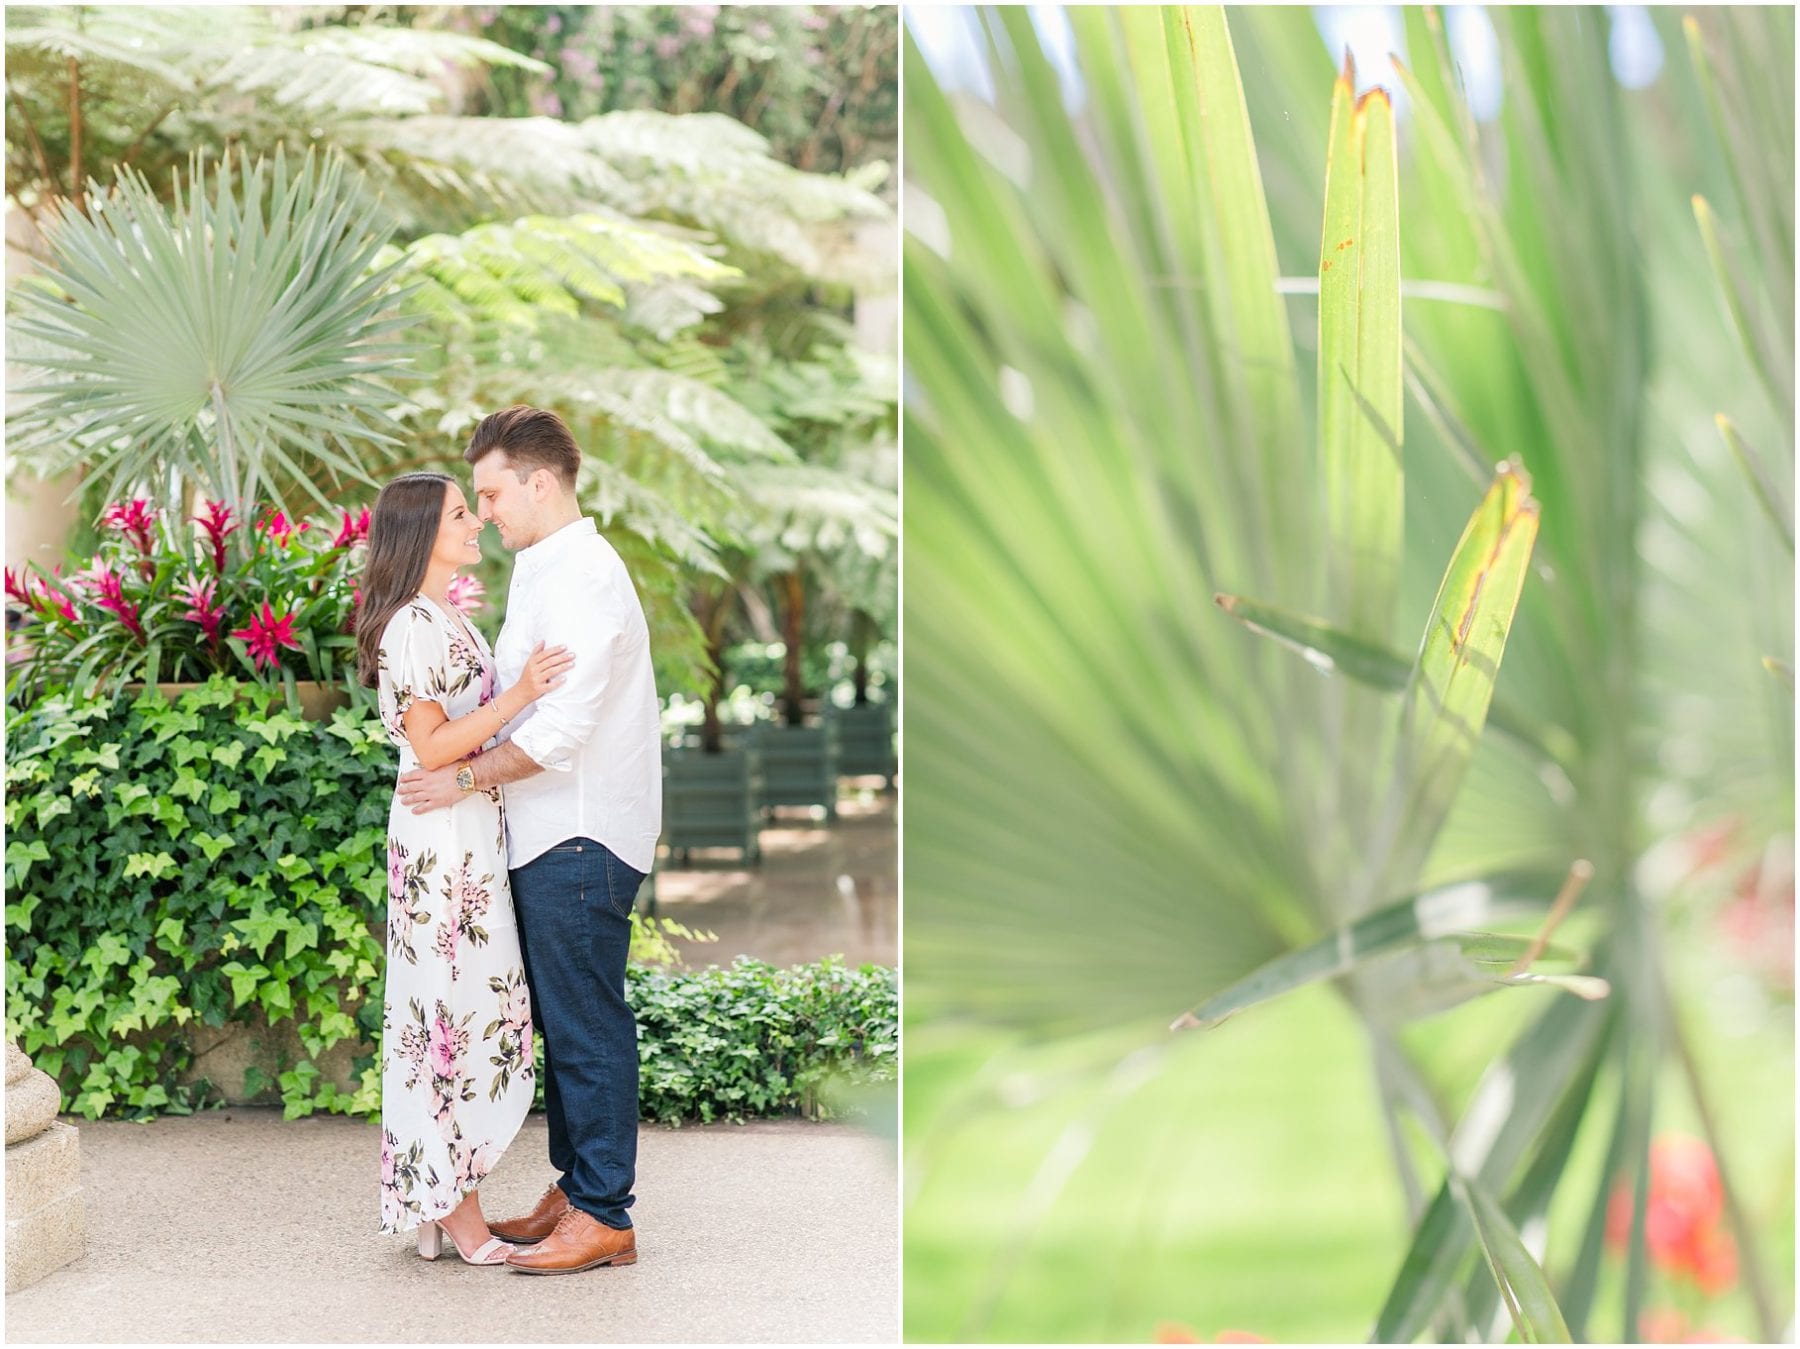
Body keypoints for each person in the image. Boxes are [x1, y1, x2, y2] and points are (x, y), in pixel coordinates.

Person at [397, 406, 661, 1276]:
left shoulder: (581, 574)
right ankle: (577, 1188)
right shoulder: (545, 569)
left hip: (578, 833)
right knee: (566, 1018)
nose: (487, 510)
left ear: (540, 483)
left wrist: (463, 778)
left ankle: (605, 1212)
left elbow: (562, 729)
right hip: (549, 833)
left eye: (492, 492)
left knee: (587, 1023)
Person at [356, 471, 574, 1265]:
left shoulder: (440, 615)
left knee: (452, 1014)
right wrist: (518, 692)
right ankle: (454, 1204)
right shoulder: (413, 623)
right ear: (421, 532)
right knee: (450, 1019)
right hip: (443, 845)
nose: (476, 521)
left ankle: (435, 1193)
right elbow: (433, 746)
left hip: (465, 834)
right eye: (459, 513)